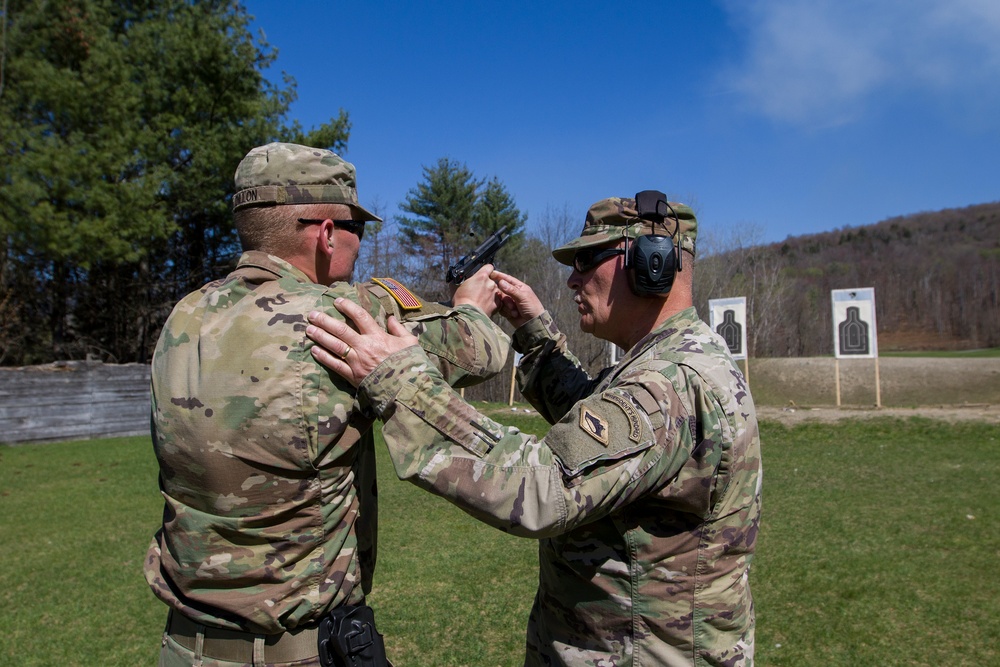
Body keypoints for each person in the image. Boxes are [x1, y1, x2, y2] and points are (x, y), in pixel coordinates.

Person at [305, 191, 763, 666]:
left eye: (587, 261)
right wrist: (534, 334)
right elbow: (598, 437)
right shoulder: (673, 361)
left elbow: (545, 485)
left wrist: (402, 382)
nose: (572, 278)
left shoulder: (669, 383)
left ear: (651, 264)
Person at [145, 142, 508, 667]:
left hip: (183, 648)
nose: (360, 245)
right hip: (299, 653)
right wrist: (471, 305)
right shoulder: (341, 315)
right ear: (328, 233)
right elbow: (482, 351)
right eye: (358, 229)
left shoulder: (184, 317)